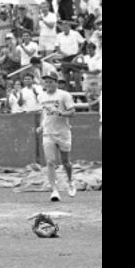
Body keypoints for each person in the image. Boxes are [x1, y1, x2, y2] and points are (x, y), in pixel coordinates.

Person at [36, 72, 77, 201]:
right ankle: (54, 190)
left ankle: (70, 180)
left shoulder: (64, 95)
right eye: (46, 82)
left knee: (66, 162)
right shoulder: (41, 96)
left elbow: (72, 112)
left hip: (63, 132)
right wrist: (41, 126)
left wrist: (60, 113)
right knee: (50, 162)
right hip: (48, 133)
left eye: (51, 81)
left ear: (56, 82)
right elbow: (43, 114)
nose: (48, 84)